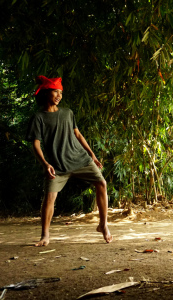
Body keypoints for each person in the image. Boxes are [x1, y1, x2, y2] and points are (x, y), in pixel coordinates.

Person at [26, 76, 113, 246]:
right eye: (55, 91)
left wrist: (93, 156)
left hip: (80, 159)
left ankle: (103, 225)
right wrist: (45, 164)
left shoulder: (67, 113)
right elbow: (35, 144)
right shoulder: (38, 118)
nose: (59, 95)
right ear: (45, 93)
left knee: (102, 183)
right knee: (50, 197)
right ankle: (45, 235)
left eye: (60, 92)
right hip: (57, 165)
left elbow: (78, 135)